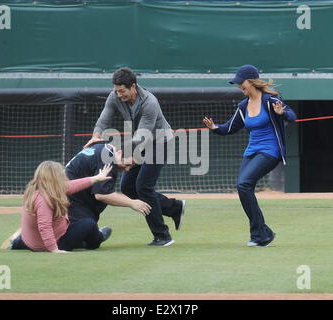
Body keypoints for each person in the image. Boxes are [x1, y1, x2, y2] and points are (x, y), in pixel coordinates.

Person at [83, 67, 186, 246]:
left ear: (133, 87)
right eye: (116, 91)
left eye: (122, 91)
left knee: (144, 187)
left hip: (159, 142)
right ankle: (174, 207)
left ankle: (163, 236)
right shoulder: (114, 96)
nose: (119, 95)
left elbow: (142, 136)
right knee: (128, 188)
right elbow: (103, 120)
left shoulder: (150, 103)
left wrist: (120, 151)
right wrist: (96, 136)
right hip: (139, 142)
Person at [203, 64, 297, 247]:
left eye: (241, 83)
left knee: (244, 183)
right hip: (251, 151)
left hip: (270, 151)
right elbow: (230, 127)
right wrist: (215, 128)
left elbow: (292, 116)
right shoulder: (243, 106)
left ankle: (259, 234)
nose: (239, 86)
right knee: (242, 187)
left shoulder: (271, 100)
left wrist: (282, 112)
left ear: (252, 82)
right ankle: (263, 232)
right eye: (237, 83)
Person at [1, 161, 113, 253]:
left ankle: (17, 243)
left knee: (77, 227)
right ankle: (98, 238)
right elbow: (44, 227)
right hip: (51, 242)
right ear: (55, 177)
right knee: (89, 224)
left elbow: (73, 185)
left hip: (31, 241)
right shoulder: (43, 200)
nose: (64, 175)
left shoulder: (40, 189)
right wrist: (54, 249)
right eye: (61, 174)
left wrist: (96, 178)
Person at [65, 143, 152, 230]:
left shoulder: (106, 149)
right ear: (120, 153)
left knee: (88, 231)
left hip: (70, 194)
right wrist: (132, 203)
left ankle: (96, 235)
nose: (127, 169)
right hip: (71, 198)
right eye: (128, 164)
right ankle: (98, 236)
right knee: (83, 235)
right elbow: (102, 195)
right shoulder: (107, 160)